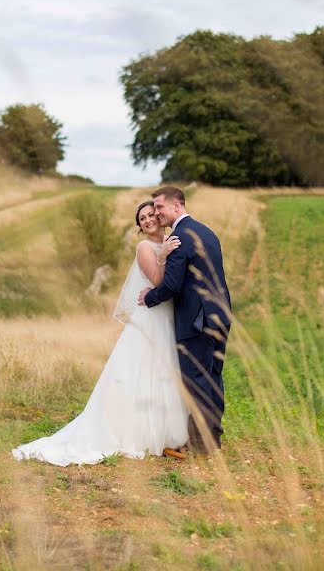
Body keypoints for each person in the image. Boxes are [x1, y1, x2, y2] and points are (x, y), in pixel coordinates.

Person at [12, 201, 188, 466]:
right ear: (139, 226)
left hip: (167, 316)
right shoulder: (144, 248)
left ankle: (163, 433)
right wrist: (162, 255)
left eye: (152, 214)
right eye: (142, 218)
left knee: (163, 371)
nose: (149, 220)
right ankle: (135, 432)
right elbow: (157, 282)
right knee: (142, 371)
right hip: (150, 317)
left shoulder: (173, 240)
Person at [138, 186, 231, 458]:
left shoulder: (180, 237)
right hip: (220, 315)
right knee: (212, 378)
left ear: (177, 206)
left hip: (196, 321)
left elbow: (171, 286)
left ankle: (201, 446)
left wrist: (149, 298)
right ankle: (212, 439)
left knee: (197, 382)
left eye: (160, 207)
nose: (156, 212)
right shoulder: (206, 232)